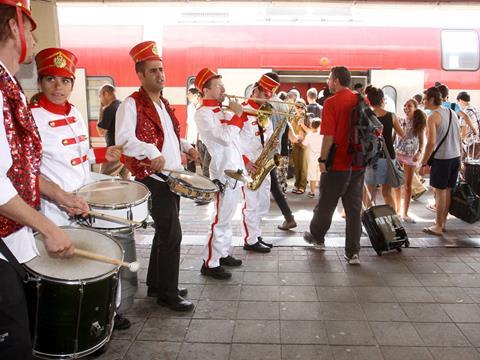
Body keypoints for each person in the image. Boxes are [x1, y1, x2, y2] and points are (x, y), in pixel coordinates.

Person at [0, 3, 88, 357]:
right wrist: (49, 228)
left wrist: (61, 196)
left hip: (14, 238)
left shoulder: (8, 87)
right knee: (16, 345)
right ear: (13, 28)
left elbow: (20, 170)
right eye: (31, 30)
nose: (34, 40)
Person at [30, 47, 130, 330]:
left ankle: (109, 312)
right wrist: (60, 198)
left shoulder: (74, 112)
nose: (58, 87)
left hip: (86, 201)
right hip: (54, 208)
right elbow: (27, 172)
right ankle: (80, 325)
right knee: (71, 270)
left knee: (105, 257)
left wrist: (105, 157)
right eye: (50, 79)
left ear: (72, 84)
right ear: (40, 82)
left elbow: (83, 156)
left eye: (65, 80)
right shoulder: (31, 117)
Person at [116, 41, 197, 311]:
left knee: (164, 234)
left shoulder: (162, 103)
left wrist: (186, 146)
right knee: (172, 235)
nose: (160, 75)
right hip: (153, 178)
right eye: (153, 71)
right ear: (140, 75)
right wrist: (150, 151)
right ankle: (168, 294)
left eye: (161, 69)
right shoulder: (131, 104)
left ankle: (157, 285)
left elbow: (171, 135)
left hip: (172, 177)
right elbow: (124, 140)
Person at [303, 66, 364, 265]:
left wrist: (322, 160)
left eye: (329, 79)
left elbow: (328, 136)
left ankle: (318, 238)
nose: (328, 82)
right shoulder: (359, 99)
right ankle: (353, 252)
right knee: (354, 209)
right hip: (357, 162)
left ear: (336, 80)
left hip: (337, 163)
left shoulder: (331, 102)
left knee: (327, 204)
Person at [193, 68, 244, 279]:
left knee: (228, 217)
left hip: (235, 168)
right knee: (220, 219)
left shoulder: (222, 110)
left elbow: (235, 138)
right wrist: (238, 116)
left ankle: (222, 253)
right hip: (223, 171)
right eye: (218, 86)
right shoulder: (202, 114)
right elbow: (223, 138)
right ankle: (210, 262)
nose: (224, 90)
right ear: (206, 90)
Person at [239, 74, 280, 253]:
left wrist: (273, 142)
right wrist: (245, 162)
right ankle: (250, 239)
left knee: (262, 202)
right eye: (264, 95)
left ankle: (256, 234)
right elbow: (232, 141)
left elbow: (268, 133)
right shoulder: (241, 111)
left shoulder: (265, 111)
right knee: (251, 203)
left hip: (262, 163)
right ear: (256, 89)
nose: (266, 100)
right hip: (248, 165)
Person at [420, 86, 461, 236]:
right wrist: (460, 157)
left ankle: (437, 225)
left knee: (440, 191)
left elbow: (431, 143)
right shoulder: (451, 112)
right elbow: (458, 137)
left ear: (431, 99)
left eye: (424, 99)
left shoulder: (432, 117)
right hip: (455, 156)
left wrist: (423, 162)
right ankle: (442, 222)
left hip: (442, 158)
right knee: (448, 190)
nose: (423, 101)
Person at [263, 72, 297, 231]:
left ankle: (288, 217)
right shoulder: (283, 104)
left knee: (270, 185)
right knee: (273, 185)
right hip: (276, 151)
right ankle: (288, 217)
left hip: (264, 151)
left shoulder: (266, 103)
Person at [364, 86, 405, 212]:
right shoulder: (391, 116)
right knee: (387, 193)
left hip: (371, 157)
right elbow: (402, 135)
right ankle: (393, 223)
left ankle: (369, 223)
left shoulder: (366, 116)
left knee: (369, 193)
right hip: (387, 156)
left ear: (369, 101)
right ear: (382, 100)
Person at [394, 99, 427, 223]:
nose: (406, 108)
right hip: (398, 154)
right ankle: (397, 211)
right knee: (396, 184)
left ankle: (405, 213)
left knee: (407, 186)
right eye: (404, 106)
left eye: (409, 106)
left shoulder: (418, 122)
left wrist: (419, 153)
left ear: (415, 108)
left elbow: (422, 141)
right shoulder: (401, 120)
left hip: (411, 156)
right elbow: (394, 137)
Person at [97, 84, 130, 179]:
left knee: (103, 179)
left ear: (105, 93)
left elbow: (101, 132)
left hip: (114, 151)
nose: (100, 100)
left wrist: (101, 109)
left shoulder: (109, 109)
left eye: (100, 96)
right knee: (126, 181)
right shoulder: (123, 106)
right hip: (126, 150)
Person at [290, 100, 309, 194]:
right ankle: (296, 184)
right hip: (295, 143)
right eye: (297, 107)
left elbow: (311, 131)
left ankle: (302, 186)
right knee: (296, 166)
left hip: (305, 144)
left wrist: (302, 124)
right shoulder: (293, 117)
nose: (299, 109)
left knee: (303, 166)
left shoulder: (308, 117)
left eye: (301, 107)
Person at [302, 118, 323, 198]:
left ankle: (312, 192)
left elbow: (304, 145)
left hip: (312, 157)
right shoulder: (322, 134)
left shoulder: (309, 135)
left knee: (312, 175)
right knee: (321, 174)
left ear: (311, 126)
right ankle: (321, 192)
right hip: (321, 156)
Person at [457, 91, 480, 158]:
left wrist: (461, 141)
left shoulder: (465, 113)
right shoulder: (476, 109)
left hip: (470, 144)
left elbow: (464, 132)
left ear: (460, 100)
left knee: (469, 165)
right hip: (478, 141)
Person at [186, 87, 200, 173]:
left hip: (198, 138)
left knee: (200, 160)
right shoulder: (189, 107)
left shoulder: (200, 107)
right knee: (190, 160)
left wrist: (198, 140)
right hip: (190, 137)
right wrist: (185, 137)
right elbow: (188, 122)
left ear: (195, 95)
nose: (187, 96)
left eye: (189, 94)